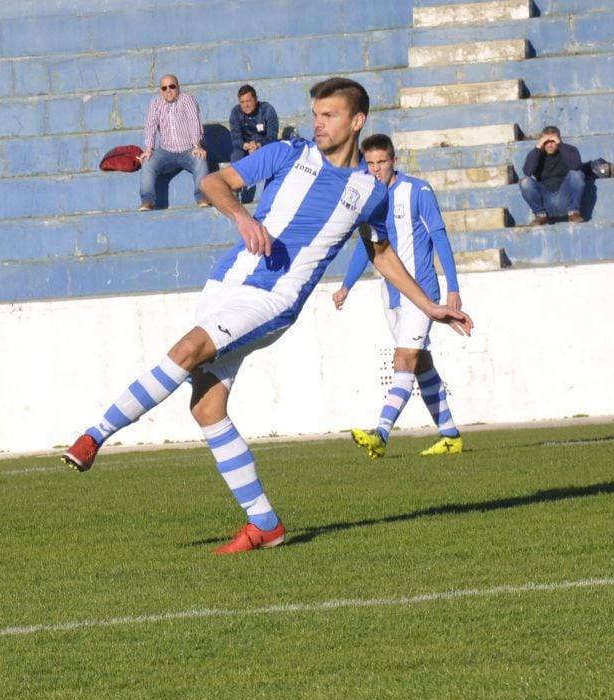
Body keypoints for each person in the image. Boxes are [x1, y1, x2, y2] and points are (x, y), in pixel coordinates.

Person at [61, 78, 473, 554]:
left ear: (357, 122)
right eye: (316, 115)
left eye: (330, 116)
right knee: (207, 407)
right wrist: (242, 217)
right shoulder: (284, 154)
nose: (318, 123)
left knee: (186, 350)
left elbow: (380, 253)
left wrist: (429, 305)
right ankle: (265, 524)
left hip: (275, 299)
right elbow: (214, 181)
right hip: (227, 283)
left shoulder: (370, 191)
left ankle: (93, 437)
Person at [332, 134, 464, 459]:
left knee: (403, 359)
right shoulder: (367, 201)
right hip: (390, 295)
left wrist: (453, 287)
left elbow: (440, 237)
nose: (376, 169)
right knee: (421, 363)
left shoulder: (417, 191)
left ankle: (381, 433)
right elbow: (371, 250)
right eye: (371, 163)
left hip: (422, 292)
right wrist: (347, 285)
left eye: (382, 162)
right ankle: (449, 435)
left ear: (394, 161)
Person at [138, 74, 210, 211]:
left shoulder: (187, 99)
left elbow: (194, 121)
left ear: (178, 87)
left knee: (200, 159)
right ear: (160, 90)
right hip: (166, 151)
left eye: (172, 86)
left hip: (188, 149)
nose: (168, 90)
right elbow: (150, 124)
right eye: (164, 88)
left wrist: (196, 145)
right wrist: (149, 148)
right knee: (147, 162)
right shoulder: (155, 103)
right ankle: (147, 201)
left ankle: (202, 197)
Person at [519, 126, 585, 225]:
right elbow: (527, 172)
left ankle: (574, 213)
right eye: (546, 142)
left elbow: (576, 166)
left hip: (565, 199)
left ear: (559, 140)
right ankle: (540, 216)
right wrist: (538, 148)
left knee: (577, 174)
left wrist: (560, 145)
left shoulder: (570, 150)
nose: (549, 145)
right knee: (525, 181)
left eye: (553, 141)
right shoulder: (536, 154)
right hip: (545, 202)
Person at [228, 84, 279, 164]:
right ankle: (237, 176)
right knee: (236, 155)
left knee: (272, 151)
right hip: (245, 148)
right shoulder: (236, 113)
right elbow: (235, 139)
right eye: (242, 102)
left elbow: (272, 137)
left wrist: (258, 145)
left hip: (264, 146)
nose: (246, 105)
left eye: (248, 101)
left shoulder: (267, 110)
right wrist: (247, 146)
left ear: (256, 99)